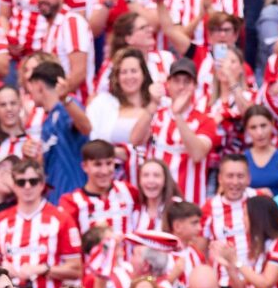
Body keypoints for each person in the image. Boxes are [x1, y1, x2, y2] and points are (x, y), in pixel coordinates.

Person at [131, 57, 217, 206]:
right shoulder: (157, 114)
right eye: (176, 81)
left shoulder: (206, 120)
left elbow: (197, 154)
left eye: (187, 82)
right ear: (168, 84)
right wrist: (152, 104)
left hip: (188, 203)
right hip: (155, 203)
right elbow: (135, 140)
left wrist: (177, 115)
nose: (181, 87)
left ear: (195, 86)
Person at [0, 158, 82, 288]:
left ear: (41, 184)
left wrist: (44, 269)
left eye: (33, 181)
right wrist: (1, 271)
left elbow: (76, 270)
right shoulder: (0, 220)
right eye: (21, 182)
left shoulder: (61, 218)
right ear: (14, 186)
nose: (27, 187)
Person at [201, 154, 261, 288]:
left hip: (255, 282)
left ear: (248, 178)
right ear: (220, 178)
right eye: (230, 176)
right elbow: (202, 249)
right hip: (224, 284)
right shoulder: (209, 207)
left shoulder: (259, 199)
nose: (235, 182)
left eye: (240, 176)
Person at [29, 62, 90, 203]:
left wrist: (66, 99)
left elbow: (86, 128)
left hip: (73, 197)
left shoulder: (67, 107)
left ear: (39, 86)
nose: (29, 93)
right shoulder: (49, 119)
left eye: (30, 88)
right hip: (55, 197)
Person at [59, 139, 140, 237]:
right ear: (84, 166)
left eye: (109, 163)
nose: (104, 171)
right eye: (98, 164)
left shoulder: (129, 191)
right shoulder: (72, 202)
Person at [87, 48, 155, 146]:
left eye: (134, 71)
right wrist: (115, 152)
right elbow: (90, 139)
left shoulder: (160, 104)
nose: (129, 77)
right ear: (116, 78)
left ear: (144, 74)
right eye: (123, 72)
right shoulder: (101, 103)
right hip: (109, 159)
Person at [243, 106, 278, 196]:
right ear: (247, 130)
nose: (260, 133)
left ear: (272, 124)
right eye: (253, 127)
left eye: (263, 126)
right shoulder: (242, 159)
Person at [135, 159, 181, 234]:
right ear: (139, 181)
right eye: (145, 175)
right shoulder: (135, 210)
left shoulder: (177, 207)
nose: (151, 180)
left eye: (156, 175)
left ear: (165, 181)